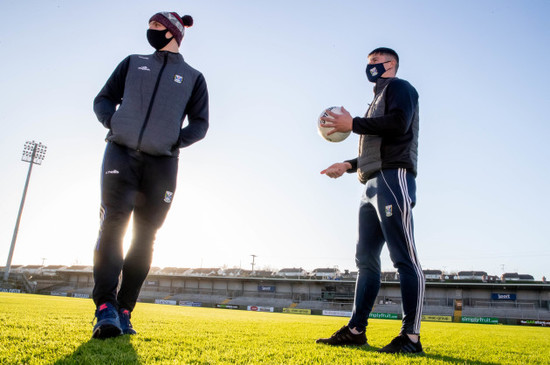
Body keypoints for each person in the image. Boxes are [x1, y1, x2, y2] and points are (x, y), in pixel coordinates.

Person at [91, 11, 209, 339]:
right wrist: (112, 122)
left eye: (157, 26)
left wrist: (175, 141)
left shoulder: (193, 77)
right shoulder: (132, 62)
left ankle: (125, 310)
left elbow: (200, 123)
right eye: (150, 26)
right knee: (114, 222)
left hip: (162, 164)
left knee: (145, 235)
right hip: (120, 154)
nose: (150, 30)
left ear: (172, 32)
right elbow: (103, 98)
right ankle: (105, 308)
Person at [316, 47, 424, 354]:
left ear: (391, 64)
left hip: (393, 178)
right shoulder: (375, 100)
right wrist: (349, 165)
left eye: (376, 62)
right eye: (368, 63)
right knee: (365, 261)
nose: (371, 67)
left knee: (404, 258)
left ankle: (411, 338)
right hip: (369, 185)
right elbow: (372, 150)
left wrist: (355, 125)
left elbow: (399, 124)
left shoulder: (400, 88)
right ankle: (355, 330)